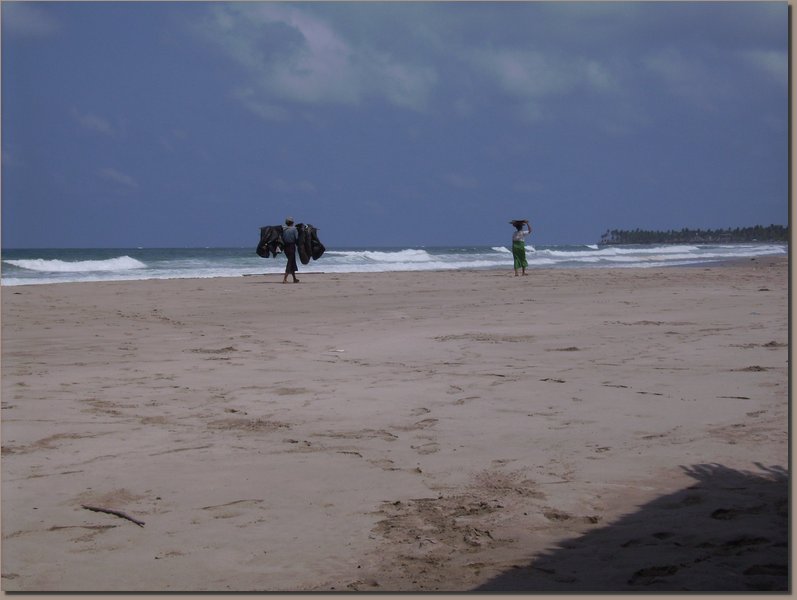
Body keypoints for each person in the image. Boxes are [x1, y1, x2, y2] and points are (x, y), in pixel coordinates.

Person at [281, 217, 300, 284]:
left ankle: (294, 279)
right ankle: (285, 279)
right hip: (291, 247)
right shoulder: (294, 229)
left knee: (292, 262)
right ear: (292, 223)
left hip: (285, 247)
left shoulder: (283, 229)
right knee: (290, 262)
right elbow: (297, 238)